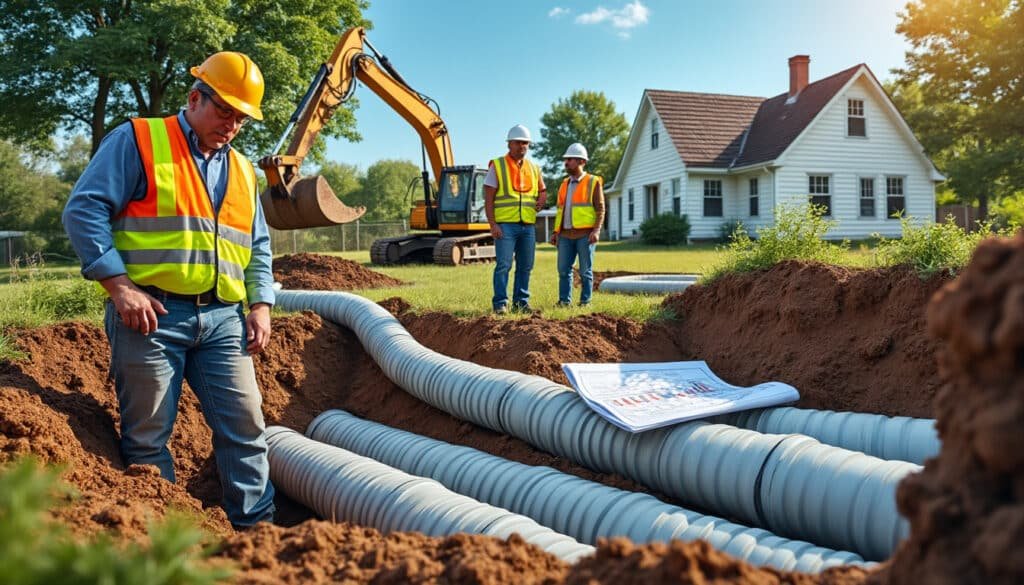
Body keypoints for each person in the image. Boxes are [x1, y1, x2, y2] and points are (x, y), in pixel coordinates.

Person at [61, 51, 275, 529]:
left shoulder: (242, 169)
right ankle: (162, 540)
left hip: (223, 319)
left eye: (241, 118)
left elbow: (258, 243)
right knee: (148, 438)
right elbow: (83, 209)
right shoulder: (138, 140)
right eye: (225, 112)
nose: (232, 125)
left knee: (246, 429)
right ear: (195, 97)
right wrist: (119, 287)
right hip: (152, 316)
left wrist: (260, 304)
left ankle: (259, 534)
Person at [484, 124, 547, 314]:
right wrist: (493, 224)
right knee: (504, 265)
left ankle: (521, 302)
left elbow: (542, 189)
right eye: (519, 143)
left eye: (526, 143)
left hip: (527, 227)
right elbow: (489, 197)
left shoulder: (534, 168)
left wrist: (543, 197)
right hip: (505, 227)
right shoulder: (498, 165)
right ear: (509, 144)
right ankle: (500, 303)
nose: (522, 146)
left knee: (526, 266)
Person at [550, 143, 605, 307]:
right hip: (565, 235)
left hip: (585, 235)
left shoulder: (593, 182)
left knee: (585, 271)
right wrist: (555, 232)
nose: (566, 163)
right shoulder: (564, 184)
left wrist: (596, 230)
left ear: (581, 161)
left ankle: (585, 301)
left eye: (570, 159)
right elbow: (560, 211)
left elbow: (600, 209)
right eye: (566, 159)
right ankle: (564, 302)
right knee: (563, 270)